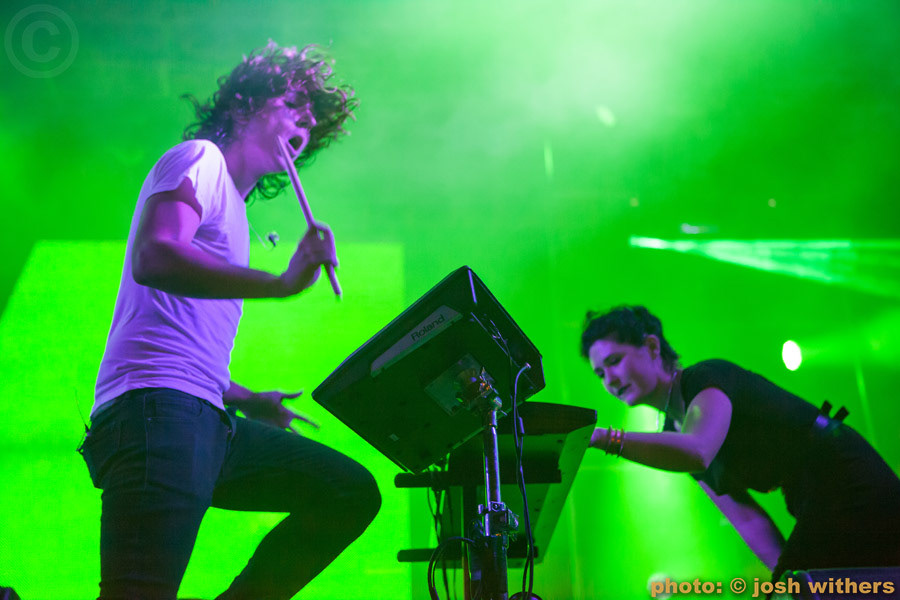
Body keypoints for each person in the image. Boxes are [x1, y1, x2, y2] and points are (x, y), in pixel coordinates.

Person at [79, 41, 381, 600]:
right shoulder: (200, 159)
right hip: (157, 412)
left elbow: (180, 333)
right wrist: (281, 284)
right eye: (294, 107)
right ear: (245, 104)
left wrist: (244, 398)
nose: (304, 125)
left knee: (349, 492)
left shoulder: (236, 212)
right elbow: (155, 255)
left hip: (200, 413)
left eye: (312, 122)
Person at [580, 305, 900, 580]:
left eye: (614, 361)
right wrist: (783, 580)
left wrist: (602, 437)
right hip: (811, 495)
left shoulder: (705, 377)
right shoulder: (674, 433)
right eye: (599, 374)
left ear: (652, 346)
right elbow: (746, 518)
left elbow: (698, 451)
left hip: (842, 472)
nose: (609, 379)